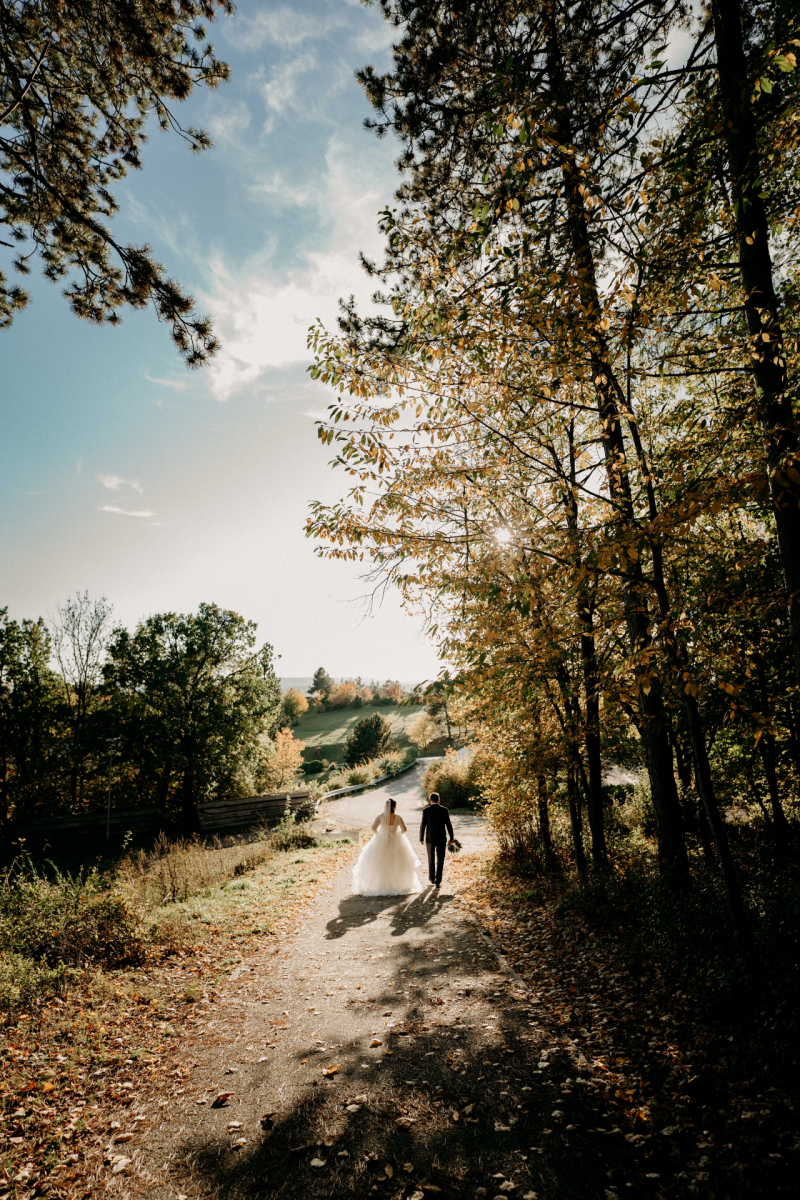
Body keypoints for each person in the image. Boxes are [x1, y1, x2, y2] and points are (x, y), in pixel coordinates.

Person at [352, 798, 422, 896]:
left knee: (380, 863)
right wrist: (397, 834)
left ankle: (381, 885)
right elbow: (404, 829)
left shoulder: (380, 817)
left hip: (382, 841)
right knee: (397, 863)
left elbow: (373, 828)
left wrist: (380, 834)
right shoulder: (398, 817)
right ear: (394, 807)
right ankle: (396, 885)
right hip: (396, 841)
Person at [419, 791, 455, 889]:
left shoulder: (426, 810)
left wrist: (421, 837)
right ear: (439, 800)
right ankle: (438, 880)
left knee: (431, 858)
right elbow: (448, 824)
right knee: (440, 858)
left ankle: (431, 877)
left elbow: (423, 825)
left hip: (430, 838)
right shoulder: (444, 810)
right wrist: (452, 837)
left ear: (430, 800)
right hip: (441, 838)